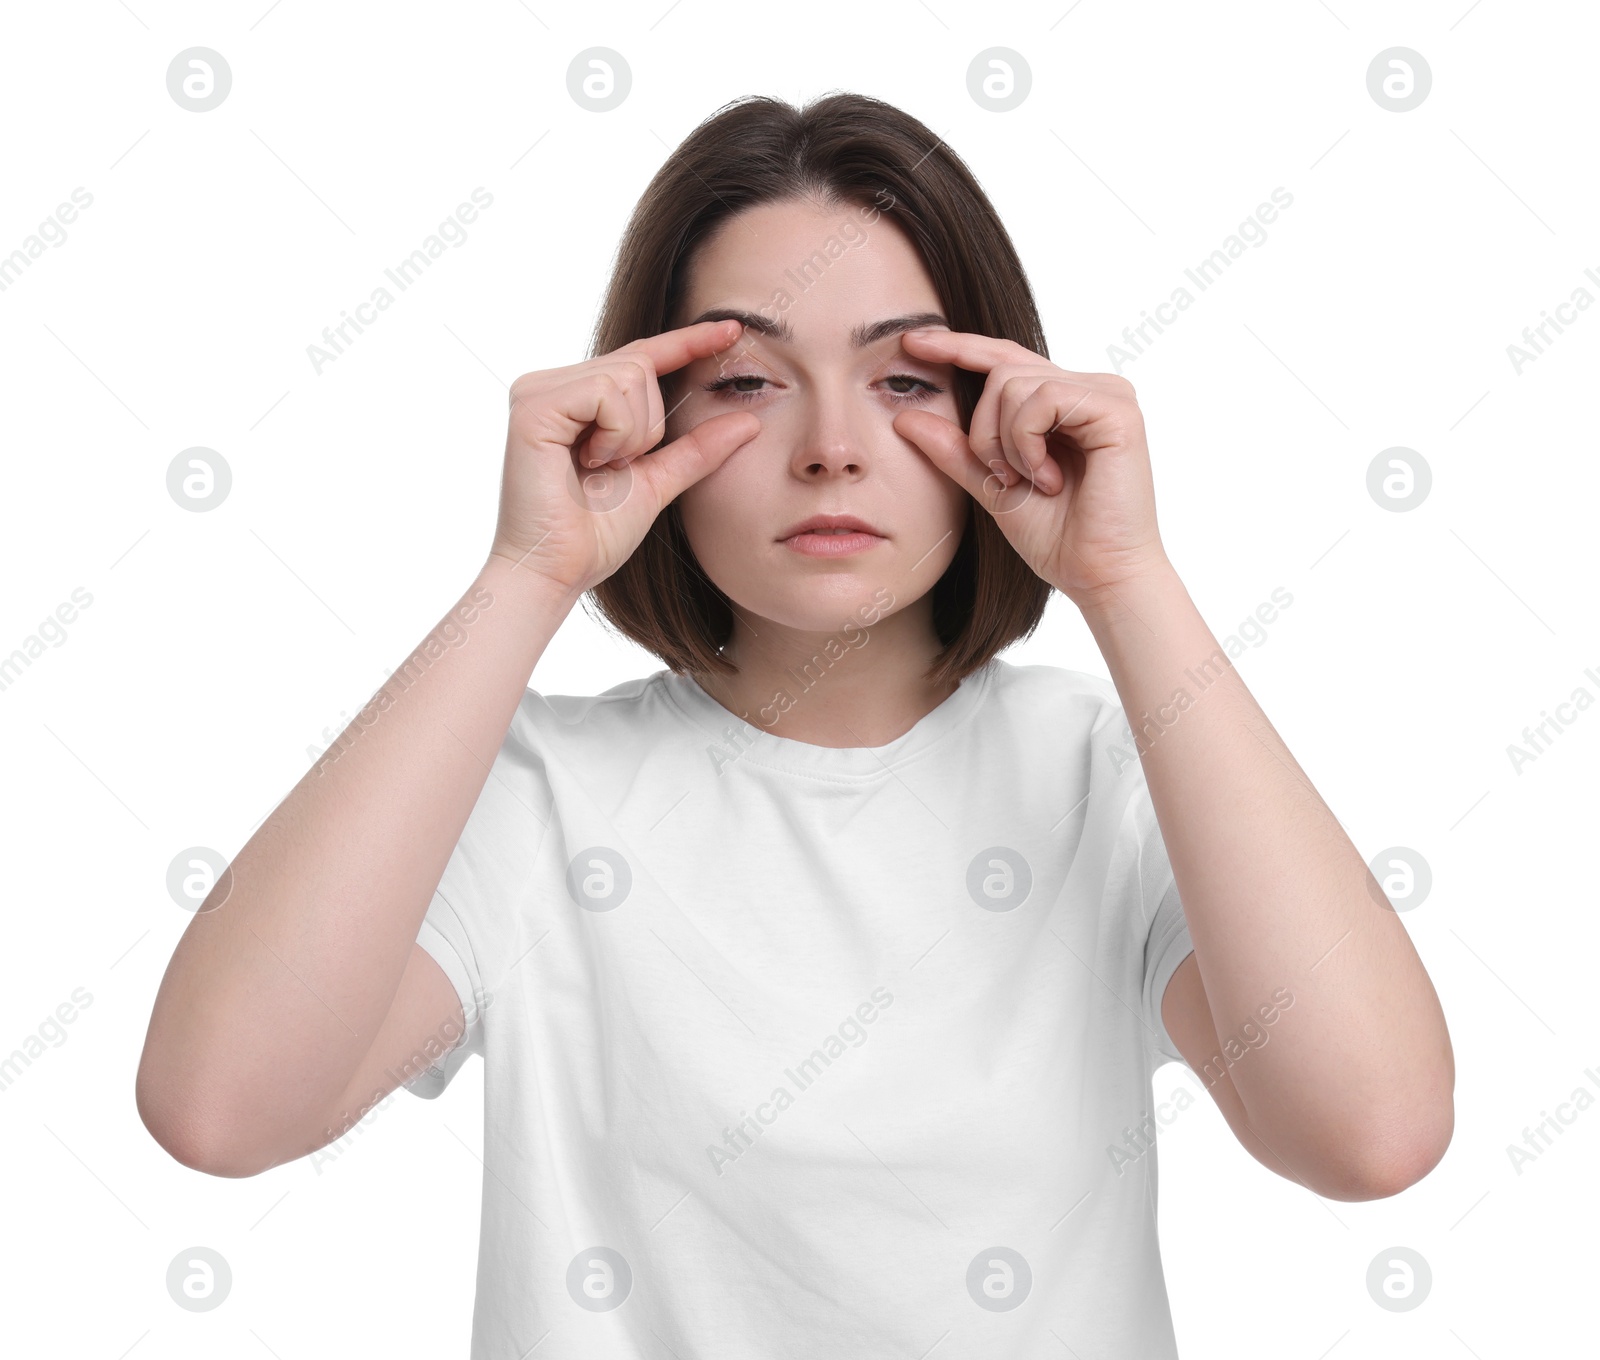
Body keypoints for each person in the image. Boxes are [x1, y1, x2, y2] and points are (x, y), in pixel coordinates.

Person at [137, 91, 1454, 1357]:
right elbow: (220, 1109)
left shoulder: (1112, 777)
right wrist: (525, 575)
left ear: (1006, 401)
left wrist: (1128, 578)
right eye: (750, 380)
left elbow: (1372, 1133)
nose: (831, 446)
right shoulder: (530, 795)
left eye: (903, 379)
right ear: (647, 411)